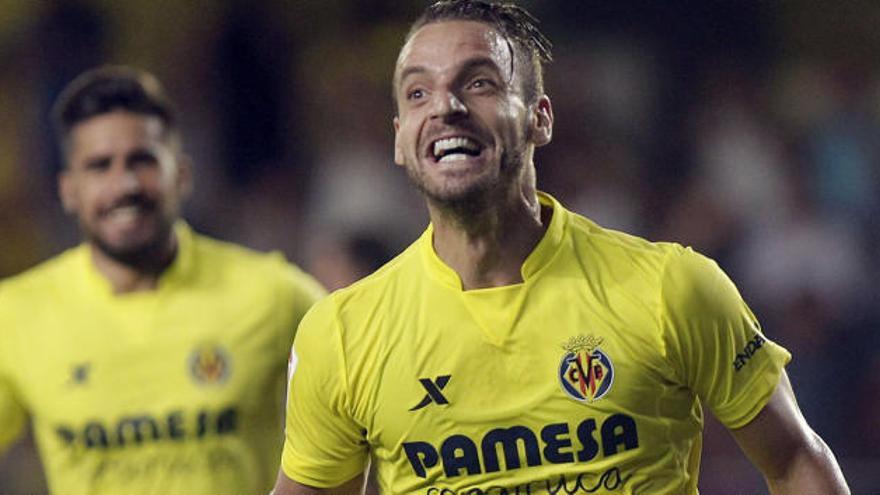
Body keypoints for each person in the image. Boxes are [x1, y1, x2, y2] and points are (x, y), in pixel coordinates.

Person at [272, 1, 850, 493]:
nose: (445, 106)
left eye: (478, 82)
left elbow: (796, 460)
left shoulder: (670, 287)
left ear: (539, 119)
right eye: (419, 92)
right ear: (399, 137)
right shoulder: (343, 334)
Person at [0, 66, 326, 494]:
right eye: (100, 166)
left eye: (143, 160)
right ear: (68, 190)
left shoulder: (275, 294)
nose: (126, 184)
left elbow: (367, 422)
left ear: (183, 175)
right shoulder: (16, 315)